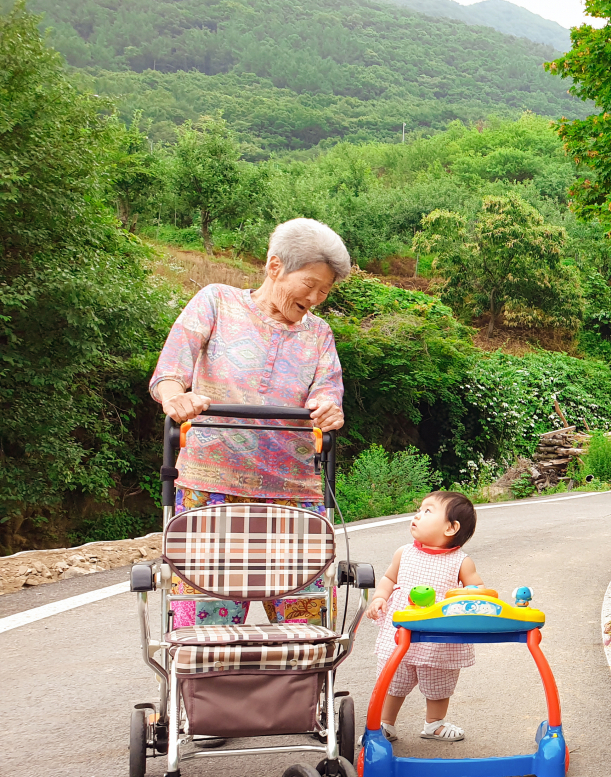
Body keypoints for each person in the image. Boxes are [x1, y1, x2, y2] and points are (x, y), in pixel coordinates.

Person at [149, 217, 350, 628]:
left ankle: (301, 694)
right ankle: (203, 692)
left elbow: (327, 390)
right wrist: (177, 398)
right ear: (274, 266)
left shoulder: (319, 334)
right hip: (209, 493)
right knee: (207, 629)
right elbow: (169, 372)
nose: (315, 297)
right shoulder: (216, 301)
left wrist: (328, 408)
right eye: (309, 284)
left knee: (307, 626)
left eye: (325, 291)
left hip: (295, 497)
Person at [366, 491, 482, 742]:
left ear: (451, 528)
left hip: (439, 637)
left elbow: (477, 589)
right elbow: (389, 579)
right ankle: (385, 724)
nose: (417, 514)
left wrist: (471, 596)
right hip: (401, 633)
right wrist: (379, 598)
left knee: (440, 682)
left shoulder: (461, 561)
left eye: (428, 511)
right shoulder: (404, 553)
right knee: (393, 679)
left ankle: (434, 724)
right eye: (420, 509)